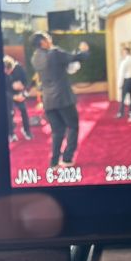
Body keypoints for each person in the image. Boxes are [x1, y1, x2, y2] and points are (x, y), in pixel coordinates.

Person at [30, 31, 90, 168]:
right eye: (48, 38)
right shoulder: (54, 53)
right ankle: (67, 158)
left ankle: (54, 161)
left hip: (48, 100)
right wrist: (85, 51)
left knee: (57, 131)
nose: (50, 39)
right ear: (42, 42)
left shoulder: (35, 58)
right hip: (63, 98)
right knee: (73, 126)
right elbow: (75, 57)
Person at [3, 55, 32, 141]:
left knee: (23, 110)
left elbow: (26, 82)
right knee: (9, 113)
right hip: (7, 94)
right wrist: (13, 97)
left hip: (19, 93)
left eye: (10, 70)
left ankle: (27, 130)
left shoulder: (19, 68)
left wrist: (22, 89)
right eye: (6, 71)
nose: (8, 73)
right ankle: (11, 133)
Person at [117, 46, 131, 118]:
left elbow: (121, 74)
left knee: (123, 96)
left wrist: (119, 84)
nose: (122, 54)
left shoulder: (124, 62)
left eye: (123, 52)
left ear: (125, 52)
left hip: (126, 80)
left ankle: (121, 112)